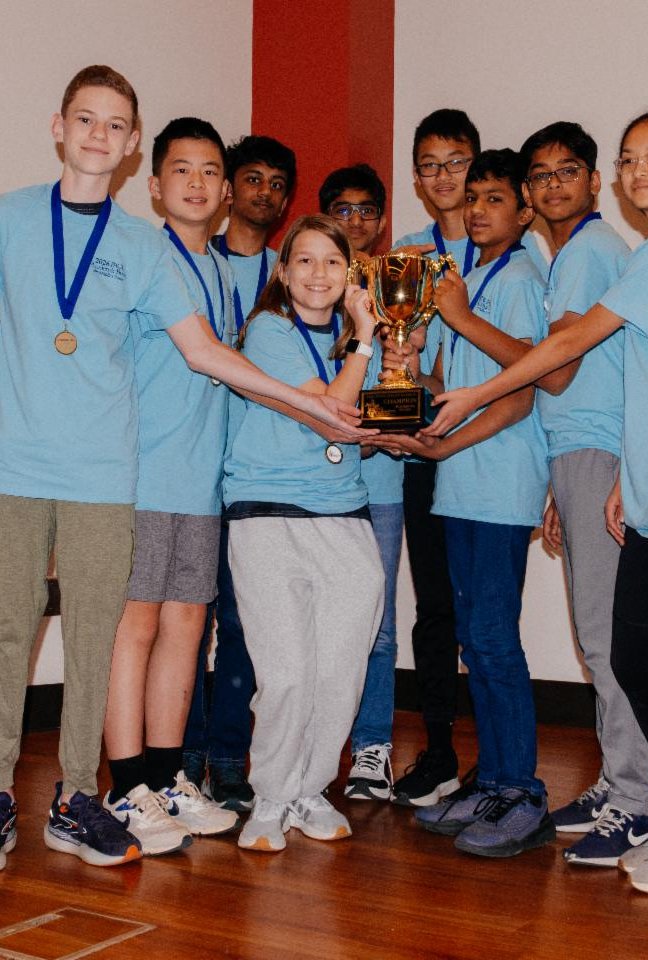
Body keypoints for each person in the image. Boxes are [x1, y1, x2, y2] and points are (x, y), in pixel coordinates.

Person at [0, 66, 364, 870]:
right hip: (77, 472)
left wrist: (318, 402)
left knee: (147, 636)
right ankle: (67, 788)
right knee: (65, 630)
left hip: (156, 479)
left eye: (210, 172)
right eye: (85, 120)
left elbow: (221, 361)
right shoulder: (68, 233)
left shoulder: (185, 262)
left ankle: (124, 785)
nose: (197, 185)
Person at [427, 113, 648, 892]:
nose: (639, 170)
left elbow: (569, 352)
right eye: (630, 158)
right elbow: (642, 379)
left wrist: (475, 389)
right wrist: (625, 477)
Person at [442, 120, 648, 867]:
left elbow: (557, 373)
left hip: (595, 449)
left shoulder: (586, 252)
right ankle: (615, 783)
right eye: (542, 174)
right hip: (578, 452)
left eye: (568, 171)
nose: (554, 184)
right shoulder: (573, 254)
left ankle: (635, 800)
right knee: (595, 633)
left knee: (604, 637)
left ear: (594, 182)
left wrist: (460, 318)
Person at [372, 149, 554, 858]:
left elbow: (524, 383)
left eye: (494, 198)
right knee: (475, 642)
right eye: (472, 197)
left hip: (500, 485)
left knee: (495, 642)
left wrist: (456, 316)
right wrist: (406, 365)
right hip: (460, 485)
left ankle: (524, 792)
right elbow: (448, 383)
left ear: (524, 211)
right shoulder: (469, 280)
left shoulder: (521, 277)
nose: (477, 209)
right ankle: (494, 780)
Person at [100, 118, 246, 854]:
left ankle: (165, 778)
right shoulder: (142, 259)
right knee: (136, 627)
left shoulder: (222, 269)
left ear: (226, 192)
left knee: (188, 628)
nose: (196, 182)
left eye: (210, 170)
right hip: (143, 476)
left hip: (201, 483)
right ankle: (124, 785)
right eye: (181, 169)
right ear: (154, 185)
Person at [223, 215, 384, 852]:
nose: (319, 274)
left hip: (344, 517)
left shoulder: (356, 345)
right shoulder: (269, 330)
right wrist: (366, 340)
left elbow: (370, 426)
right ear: (284, 272)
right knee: (286, 672)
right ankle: (269, 795)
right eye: (306, 261)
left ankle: (310, 789)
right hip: (267, 516)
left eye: (333, 262)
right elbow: (333, 415)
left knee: (341, 670)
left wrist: (392, 366)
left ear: (350, 274)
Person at [183, 134, 296, 812]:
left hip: (259, 480)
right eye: (252, 178)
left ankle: (228, 758)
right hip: (195, 470)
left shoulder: (295, 274)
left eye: (277, 184)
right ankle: (180, 755)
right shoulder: (195, 264)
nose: (264, 192)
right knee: (188, 622)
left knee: (245, 625)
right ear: (228, 189)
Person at [388, 109, 483, 806]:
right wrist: (397, 426)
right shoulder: (406, 255)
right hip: (425, 452)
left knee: (486, 615)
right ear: (418, 178)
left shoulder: (506, 246)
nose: (444, 176)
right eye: (430, 165)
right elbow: (393, 366)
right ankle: (441, 749)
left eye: (456, 162)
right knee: (433, 608)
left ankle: (501, 760)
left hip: (491, 453)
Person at [316, 163, 402, 801]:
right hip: (314, 483)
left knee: (378, 620)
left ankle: (373, 748)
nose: (355, 221)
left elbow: (409, 381)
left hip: (381, 480)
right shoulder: (307, 283)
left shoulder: (398, 285)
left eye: (366, 209)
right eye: (341, 210)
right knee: (312, 619)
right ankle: (315, 745)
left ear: (381, 218)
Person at [319, 162, 387, 261]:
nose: (356, 222)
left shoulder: (389, 270)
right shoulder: (310, 270)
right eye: (343, 211)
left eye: (367, 210)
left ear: (381, 223)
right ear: (324, 222)